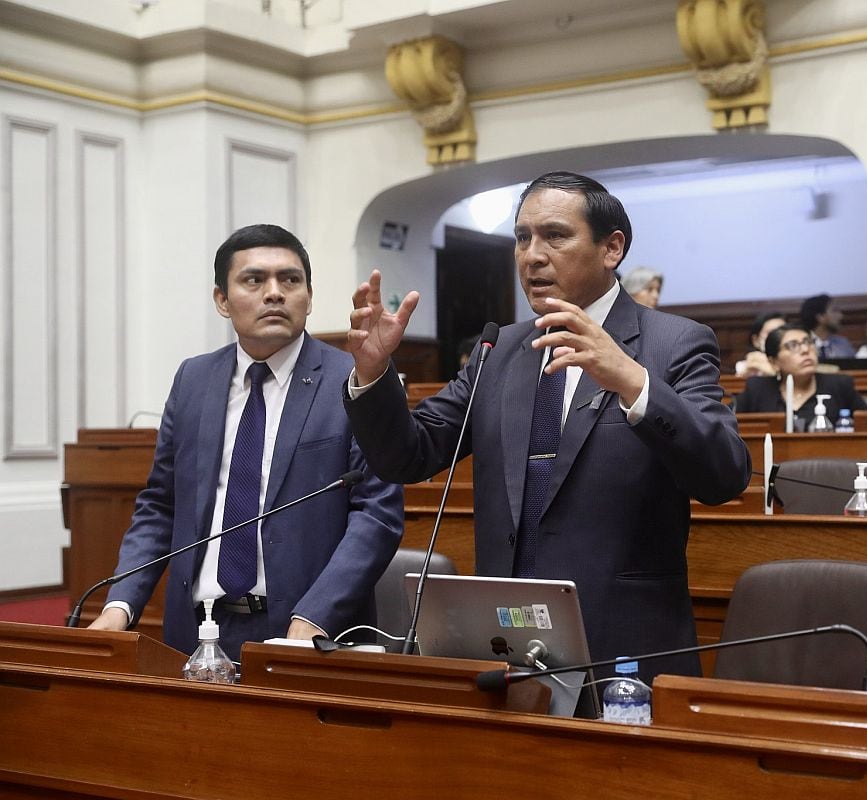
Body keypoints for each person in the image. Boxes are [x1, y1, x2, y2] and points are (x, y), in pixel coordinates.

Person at [343, 171, 751, 682]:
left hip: (621, 648)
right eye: (522, 238)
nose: (531, 255)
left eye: (555, 236)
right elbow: (409, 454)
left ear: (612, 249)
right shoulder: (500, 350)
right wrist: (374, 373)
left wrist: (632, 381)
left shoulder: (675, 343)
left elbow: (724, 476)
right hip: (503, 647)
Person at [89, 224, 405, 660]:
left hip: (306, 634)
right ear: (222, 300)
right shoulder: (193, 380)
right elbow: (161, 504)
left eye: (290, 280)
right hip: (197, 631)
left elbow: (377, 514)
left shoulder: (352, 381)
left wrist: (314, 616)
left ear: (309, 298)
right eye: (254, 280)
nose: (274, 293)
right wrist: (120, 604)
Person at [734, 324, 867, 428]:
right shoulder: (758, 389)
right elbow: (725, 421)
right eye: (793, 346)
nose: (805, 350)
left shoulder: (840, 385)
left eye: (808, 342)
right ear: (773, 362)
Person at [799, 293, 856, 360]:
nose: (840, 316)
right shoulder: (801, 345)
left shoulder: (843, 344)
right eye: (834, 311)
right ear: (820, 317)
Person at [735, 310, 787, 377]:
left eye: (783, 333)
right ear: (756, 340)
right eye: (771, 333)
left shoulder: (798, 363)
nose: (778, 338)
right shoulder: (746, 367)